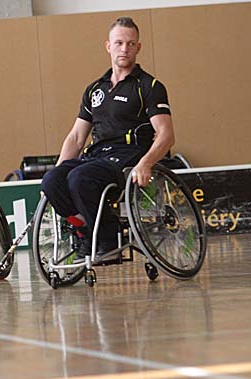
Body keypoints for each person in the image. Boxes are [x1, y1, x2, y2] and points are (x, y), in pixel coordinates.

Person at [41, 16, 175, 260]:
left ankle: (107, 237)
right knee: (51, 180)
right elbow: (76, 137)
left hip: (128, 157)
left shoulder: (149, 86)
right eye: (119, 43)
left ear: (138, 47)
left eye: (131, 44)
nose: (124, 49)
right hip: (96, 157)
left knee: (80, 178)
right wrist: (58, 169)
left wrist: (146, 163)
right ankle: (85, 229)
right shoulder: (95, 89)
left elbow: (166, 135)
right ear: (108, 46)